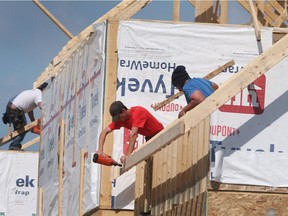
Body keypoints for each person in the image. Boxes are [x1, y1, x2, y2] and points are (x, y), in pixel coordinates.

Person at [96, 101, 164, 163]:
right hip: (149, 138)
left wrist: (128, 155)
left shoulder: (138, 112)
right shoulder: (121, 120)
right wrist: (100, 150)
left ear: (123, 111)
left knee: (159, 161)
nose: (118, 120)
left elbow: (134, 135)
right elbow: (104, 132)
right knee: (149, 162)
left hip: (160, 135)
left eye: (119, 117)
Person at [4, 82, 48, 150]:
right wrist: (48, 115)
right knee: (23, 129)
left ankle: (15, 145)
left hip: (10, 108)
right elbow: (41, 106)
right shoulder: (39, 93)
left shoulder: (33, 92)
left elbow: (30, 110)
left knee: (18, 130)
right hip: (16, 110)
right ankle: (14, 146)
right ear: (44, 89)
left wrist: (33, 122)